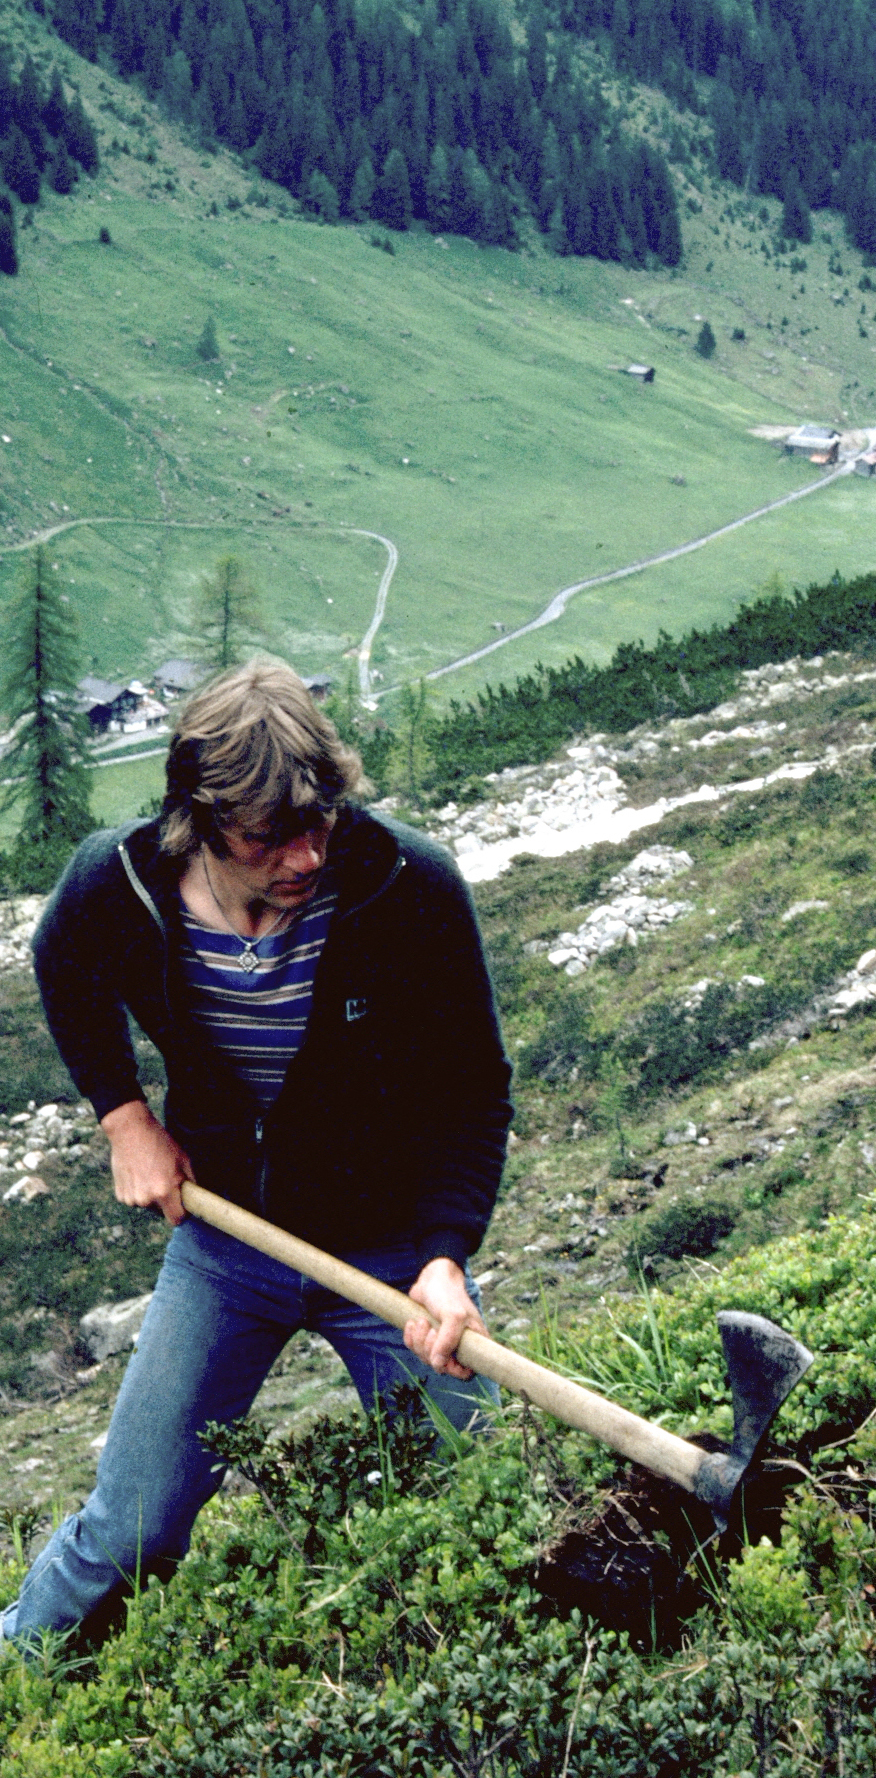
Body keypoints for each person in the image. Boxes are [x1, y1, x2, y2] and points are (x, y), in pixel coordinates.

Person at [1, 657, 512, 1651]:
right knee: (134, 1526)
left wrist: (448, 1254)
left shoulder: (408, 885)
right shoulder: (124, 884)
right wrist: (122, 1115)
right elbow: (61, 956)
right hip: (229, 1246)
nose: (305, 855)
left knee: (481, 1494)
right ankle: (19, 1667)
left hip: (393, 1257)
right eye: (268, 835)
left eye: (318, 820)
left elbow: (474, 1090)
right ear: (200, 816)